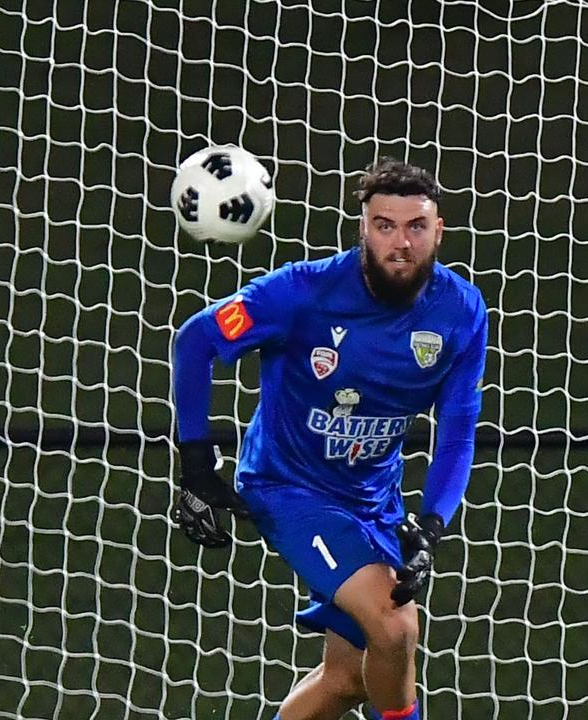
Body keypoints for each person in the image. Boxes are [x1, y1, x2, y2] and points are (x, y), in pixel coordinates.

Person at [170, 158, 487, 720]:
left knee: (346, 681)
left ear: (438, 232)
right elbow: (195, 341)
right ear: (363, 228)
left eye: (416, 226)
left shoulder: (461, 311)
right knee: (394, 624)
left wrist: (433, 526)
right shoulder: (300, 293)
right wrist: (195, 466)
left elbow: (458, 431)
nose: (401, 242)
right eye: (385, 225)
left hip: (372, 501)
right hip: (288, 488)